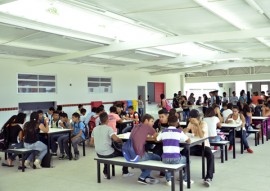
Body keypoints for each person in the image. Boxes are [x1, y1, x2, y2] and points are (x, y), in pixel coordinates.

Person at [90, 112, 133, 178]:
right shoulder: (108, 128)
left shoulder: (95, 129)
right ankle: (125, 172)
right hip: (108, 153)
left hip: (98, 153)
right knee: (124, 152)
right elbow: (116, 139)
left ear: (100, 120)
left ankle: (106, 172)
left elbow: (91, 142)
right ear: (107, 120)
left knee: (106, 151)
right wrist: (121, 141)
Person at [156, 115, 191, 186]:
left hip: (165, 159)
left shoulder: (163, 131)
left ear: (168, 123)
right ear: (177, 123)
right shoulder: (179, 132)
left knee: (168, 162)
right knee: (187, 160)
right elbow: (188, 141)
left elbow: (156, 140)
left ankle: (168, 180)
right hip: (176, 159)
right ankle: (185, 180)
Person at [185, 109, 214, 187]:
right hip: (194, 145)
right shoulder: (190, 123)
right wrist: (185, 128)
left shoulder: (204, 123)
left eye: (192, 118)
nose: (191, 119)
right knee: (184, 153)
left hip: (204, 145)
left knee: (210, 155)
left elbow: (201, 136)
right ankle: (185, 175)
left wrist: (197, 125)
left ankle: (208, 177)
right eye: (190, 118)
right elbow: (185, 132)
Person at [130, 114, 160, 185]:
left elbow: (142, 137)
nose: (153, 123)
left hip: (131, 154)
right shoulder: (148, 127)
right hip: (139, 156)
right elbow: (156, 138)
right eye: (152, 121)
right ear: (146, 121)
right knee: (157, 158)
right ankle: (142, 177)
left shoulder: (135, 126)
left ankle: (147, 176)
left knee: (145, 155)